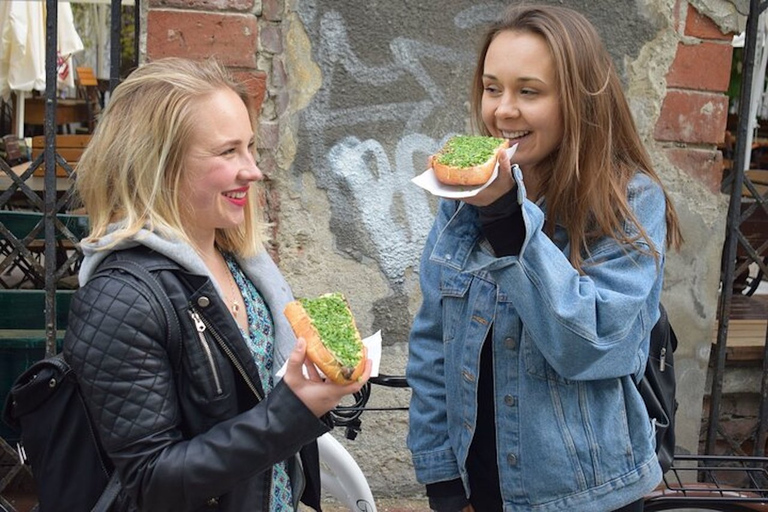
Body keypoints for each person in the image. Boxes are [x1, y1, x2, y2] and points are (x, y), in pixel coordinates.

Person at [406, 4, 683, 512]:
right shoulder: (466, 198)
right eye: (493, 88)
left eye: (528, 91)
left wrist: (509, 222)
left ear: (578, 100)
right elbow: (432, 347)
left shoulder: (629, 201)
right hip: (478, 490)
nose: (502, 110)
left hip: (588, 496)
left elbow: (593, 347)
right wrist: (442, 478)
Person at [63, 57, 371, 512]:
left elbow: (256, 398)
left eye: (250, 147)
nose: (253, 170)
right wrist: (294, 410)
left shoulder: (244, 264)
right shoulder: (120, 298)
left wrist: (319, 382)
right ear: (159, 165)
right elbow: (151, 481)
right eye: (228, 152)